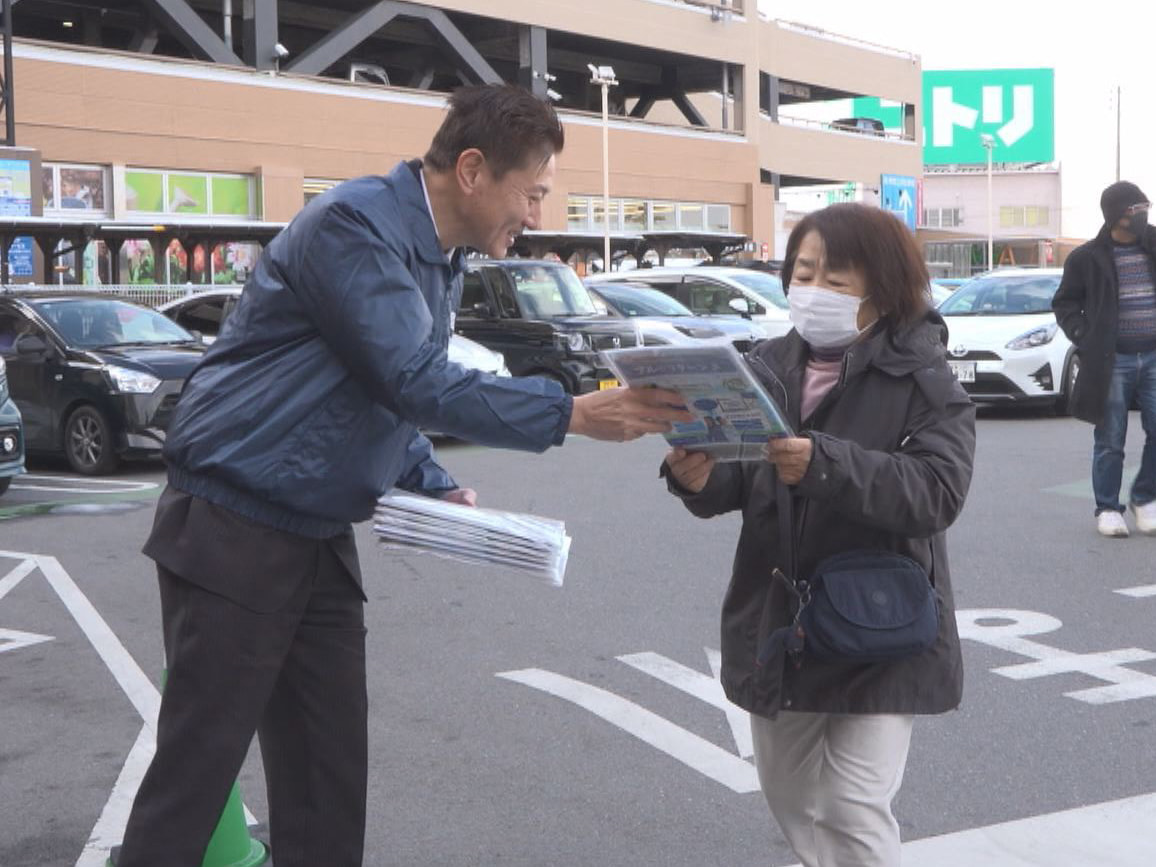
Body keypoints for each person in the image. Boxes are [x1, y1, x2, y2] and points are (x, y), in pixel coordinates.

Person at [114, 84, 690, 867]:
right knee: (195, 776)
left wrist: (427, 477)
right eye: (534, 192)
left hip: (313, 531)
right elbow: (413, 377)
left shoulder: (437, 253)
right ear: (474, 170)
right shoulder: (355, 226)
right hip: (233, 524)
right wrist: (573, 413)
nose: (537, 214)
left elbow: (373, 391)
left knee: (327, 771)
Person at [663, 203, 975, 867]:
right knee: (795, 798)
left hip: (880, 622)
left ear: (883, 286)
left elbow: (937, 492)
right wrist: (697, 477)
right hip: (784, 621)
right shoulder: (761, 366)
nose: (814, 291)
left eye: (837, 279)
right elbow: (739, 483)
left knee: (851, 805)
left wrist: (824, 463)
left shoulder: (925, 378)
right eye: (804, 272)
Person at [1053, 181, 1156, 538]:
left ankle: (1144, 498)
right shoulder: (1087, 258)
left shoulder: (1155, 244)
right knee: (1111, 438)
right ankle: (1108, 508)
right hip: (1113, 361)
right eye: (1136, 209)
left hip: (1154, 357)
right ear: (1116, 215)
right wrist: (1084, 334)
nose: (1143, 215)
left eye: (1146, 207)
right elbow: (1064, 303)